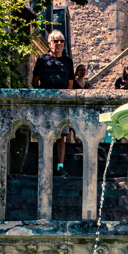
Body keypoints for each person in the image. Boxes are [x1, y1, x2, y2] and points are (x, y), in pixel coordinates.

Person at [32, 31, 74, 174]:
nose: (59, 44)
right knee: (46, 133)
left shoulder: (68, 62)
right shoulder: (42, 60)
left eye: (61, 41)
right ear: (50, 43)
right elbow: (34, 81)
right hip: (46, 104)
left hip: (62, 103)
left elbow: (70, 84)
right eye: (55, 41)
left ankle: (60, 166)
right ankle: (45, 164)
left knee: (62, 135)